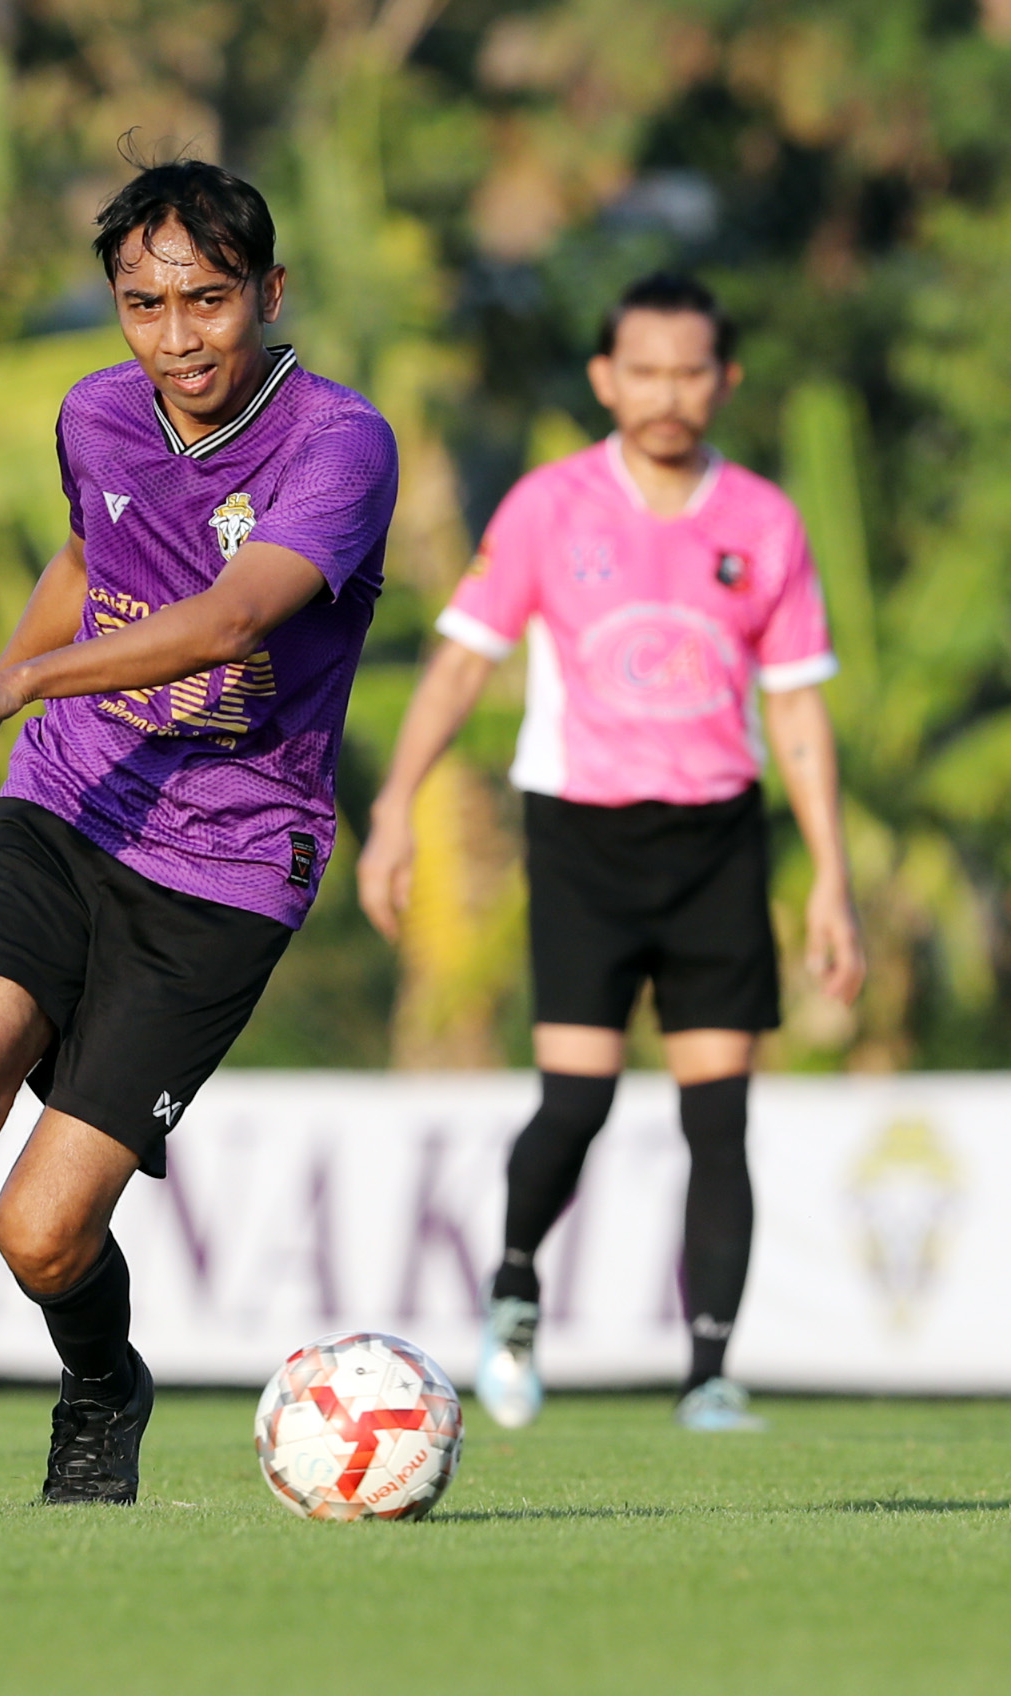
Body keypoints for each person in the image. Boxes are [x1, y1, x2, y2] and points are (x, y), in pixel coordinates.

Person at [0, 158, 398, 1513]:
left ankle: (104, 1385)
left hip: (228, 870)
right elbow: (92, 563)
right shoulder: (95, 414)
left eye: (208, 300)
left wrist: (18, 683)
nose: (177, 336)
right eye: (144, 305)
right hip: (70, 801)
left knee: (39, 1233)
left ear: (270, 292)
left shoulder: (340, 442)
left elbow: (228, 619)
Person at [357, 272, 863, 1433]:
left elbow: (795, 706)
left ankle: (711, 1374)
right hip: (583, 834)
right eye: (645, 372)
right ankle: (515, 1286)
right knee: (576, 1101)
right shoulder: (551, 505)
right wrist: (394, 808)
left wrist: (832, 876)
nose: (667, 394)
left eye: (690, 372)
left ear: (725, 380)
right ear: (606, 379)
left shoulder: (765, 522)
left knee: (718, 1116)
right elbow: (463, 660)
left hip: (716, 838)